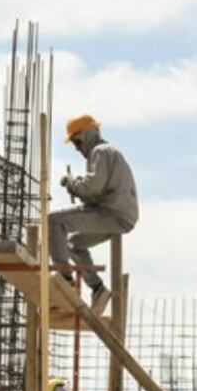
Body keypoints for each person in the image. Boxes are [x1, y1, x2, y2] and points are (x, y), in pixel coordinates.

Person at [50, 114, 138, 306]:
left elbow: (92, 188)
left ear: (89, 134)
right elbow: (94, 192)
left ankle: (65, 280)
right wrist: (77, 187)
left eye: (77, 141)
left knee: (53, 221)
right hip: (119, 216)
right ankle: (98, 288)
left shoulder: (100, 151)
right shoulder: (107, 153)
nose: (77, 148)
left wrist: (72, 183)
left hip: (111, 213)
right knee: (74, 245)